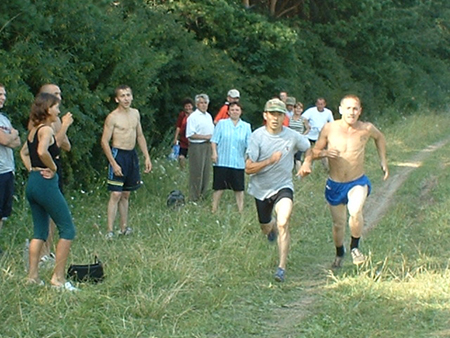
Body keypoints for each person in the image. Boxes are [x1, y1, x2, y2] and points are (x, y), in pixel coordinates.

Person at [300, 94, 389, 268]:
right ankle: (340, 252)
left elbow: (380, 138)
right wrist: (321, 155)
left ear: (360, 111)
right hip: (335, 184)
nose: (352, 112)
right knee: (338, 224)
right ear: (340, 110)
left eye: (355, 108)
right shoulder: (329, 128)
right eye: (348, 108)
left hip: (357, 181)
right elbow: (313, 151)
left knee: (355, 211)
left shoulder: (366, 128)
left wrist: (383, 160)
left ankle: (355, 248)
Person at [245, 98, 310, 282]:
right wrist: (269, 161)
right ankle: (270, 228)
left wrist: (306, 163)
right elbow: (248, 168)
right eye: (272, 114)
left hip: (283, 186)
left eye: (279, 114)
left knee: (283, 222)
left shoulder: (292, 135)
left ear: (284, 117)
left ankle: (281, 267)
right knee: (267, 227)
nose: (275, 118)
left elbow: (308, 148)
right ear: (265, 116)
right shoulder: (257, 136)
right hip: (261, 189)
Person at [20, 93, 78, 290]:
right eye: (56, 107)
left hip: (33, 183)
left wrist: (33, 170)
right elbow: (42, 152)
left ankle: (32, 276)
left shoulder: (33, 130)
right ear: (47, 109)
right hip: (46, 184)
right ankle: (58, 278)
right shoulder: (45, 130)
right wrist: (52, 168)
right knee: (68, 229)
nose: (59, 110)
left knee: (40, 231)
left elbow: (23, 152)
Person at [101, 85, 152, 239]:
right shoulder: (113, 117)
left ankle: (124, 228)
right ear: (117, 99)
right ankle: (110, 230)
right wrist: (113, 163)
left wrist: (147, 156)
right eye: (122, 96)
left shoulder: (135, 114)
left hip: (131, 155)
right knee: (116, 193)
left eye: (128, 95)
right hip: (118, 154)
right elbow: (104, 141)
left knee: (126, 193)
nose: (126, 98)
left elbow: (140, 136)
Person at [37, 84, 73, 264]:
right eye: (55, 94)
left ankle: (48, 250)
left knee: (52, 213)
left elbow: (67, 145)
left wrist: (61, 130)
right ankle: (41, 253)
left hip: (56, 165)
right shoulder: (39, 122)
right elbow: (52, 146)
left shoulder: (55, 120)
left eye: (60, 93)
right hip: (45, 168)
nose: (59, 97)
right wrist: (65, 126)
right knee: (46, 211)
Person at [211, 102, 251, 213]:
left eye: (237, 109)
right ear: (228, 111)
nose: (235, 111)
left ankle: (240, 210)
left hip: (238, 162)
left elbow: (249, 145)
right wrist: (214, 153)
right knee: (219, 187)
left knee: (239, 188)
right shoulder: (221, 124)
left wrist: (247, 158)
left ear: (240, 112)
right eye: (232, 109)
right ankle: (214, 209)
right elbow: (214, 140)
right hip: (222, 161)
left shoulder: (246, 126)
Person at [0, 84, 21, 255]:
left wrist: (11, 136)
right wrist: (12, 135)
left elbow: (17, 142)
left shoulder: (4, 118)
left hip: (8, 170)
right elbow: (7, 140)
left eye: (4, 94)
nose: (2, 97)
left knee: (3, 213)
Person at [186, 93, 215, 201]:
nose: (203, 105)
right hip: (197, 146)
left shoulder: (208, 116)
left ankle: (203, 195)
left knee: (206, 172)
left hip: (208, 145)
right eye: (201, 103)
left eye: (205, 103)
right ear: (197, 104)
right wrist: (205, 136)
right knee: (196, 172)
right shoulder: (193, 117)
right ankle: (194, 196)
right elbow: (190, 134)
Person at [288, 101, 311, 171]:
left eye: (300, 109)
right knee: (290, 157)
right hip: (290, 139)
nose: (298, 110)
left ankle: (299, 174)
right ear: (293, 109)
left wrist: (303, 135)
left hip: (299, 139)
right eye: (296, 108)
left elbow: (308, 128)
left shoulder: (303, 119)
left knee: (298, 157)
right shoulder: (289, 118)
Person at [173, 97, 194, 169]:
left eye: (189, 106)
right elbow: (178, 127)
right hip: (183, 139)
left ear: (192, 106)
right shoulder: (182, 115)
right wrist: (175, 138)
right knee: (181, 157)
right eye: (186, 106)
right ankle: (183, 169)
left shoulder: (196, 115)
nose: (188, 108)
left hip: (193, 139)